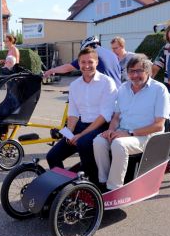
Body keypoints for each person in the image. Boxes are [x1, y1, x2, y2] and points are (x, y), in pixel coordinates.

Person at [93, 54, 170, 192]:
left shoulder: (160, 90)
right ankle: (102, 182)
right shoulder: (123, 88)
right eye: (131, 71)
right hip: (123, 132)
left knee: (119, 144)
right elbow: (116, 117)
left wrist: (129, 133)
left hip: (148, 137)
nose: (134, 75)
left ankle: (114, 188)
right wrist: (111, 130)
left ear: (148, 71)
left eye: (139, 71)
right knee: (99, 141)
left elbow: (159, 125)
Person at [46, 47, 117, 183]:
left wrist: (81, 135)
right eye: (83, 62)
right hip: (81, 126)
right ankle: (64, 188)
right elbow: (73, 112)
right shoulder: (74, 85)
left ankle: (94, 185)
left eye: (90, 62)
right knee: (52, 156)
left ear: (96, 62)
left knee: (83, 144)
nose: (86, 66)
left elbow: (105, 115)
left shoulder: (107, 82)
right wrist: (70, 132)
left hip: (101, 126)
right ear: (78, 64)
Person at [44, 36, 121, 88]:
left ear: (88, 46)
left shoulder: (92, 55)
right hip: (118, 91)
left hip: (104, 92)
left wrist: (51, 70)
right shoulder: (112, 54)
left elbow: (67, 68)